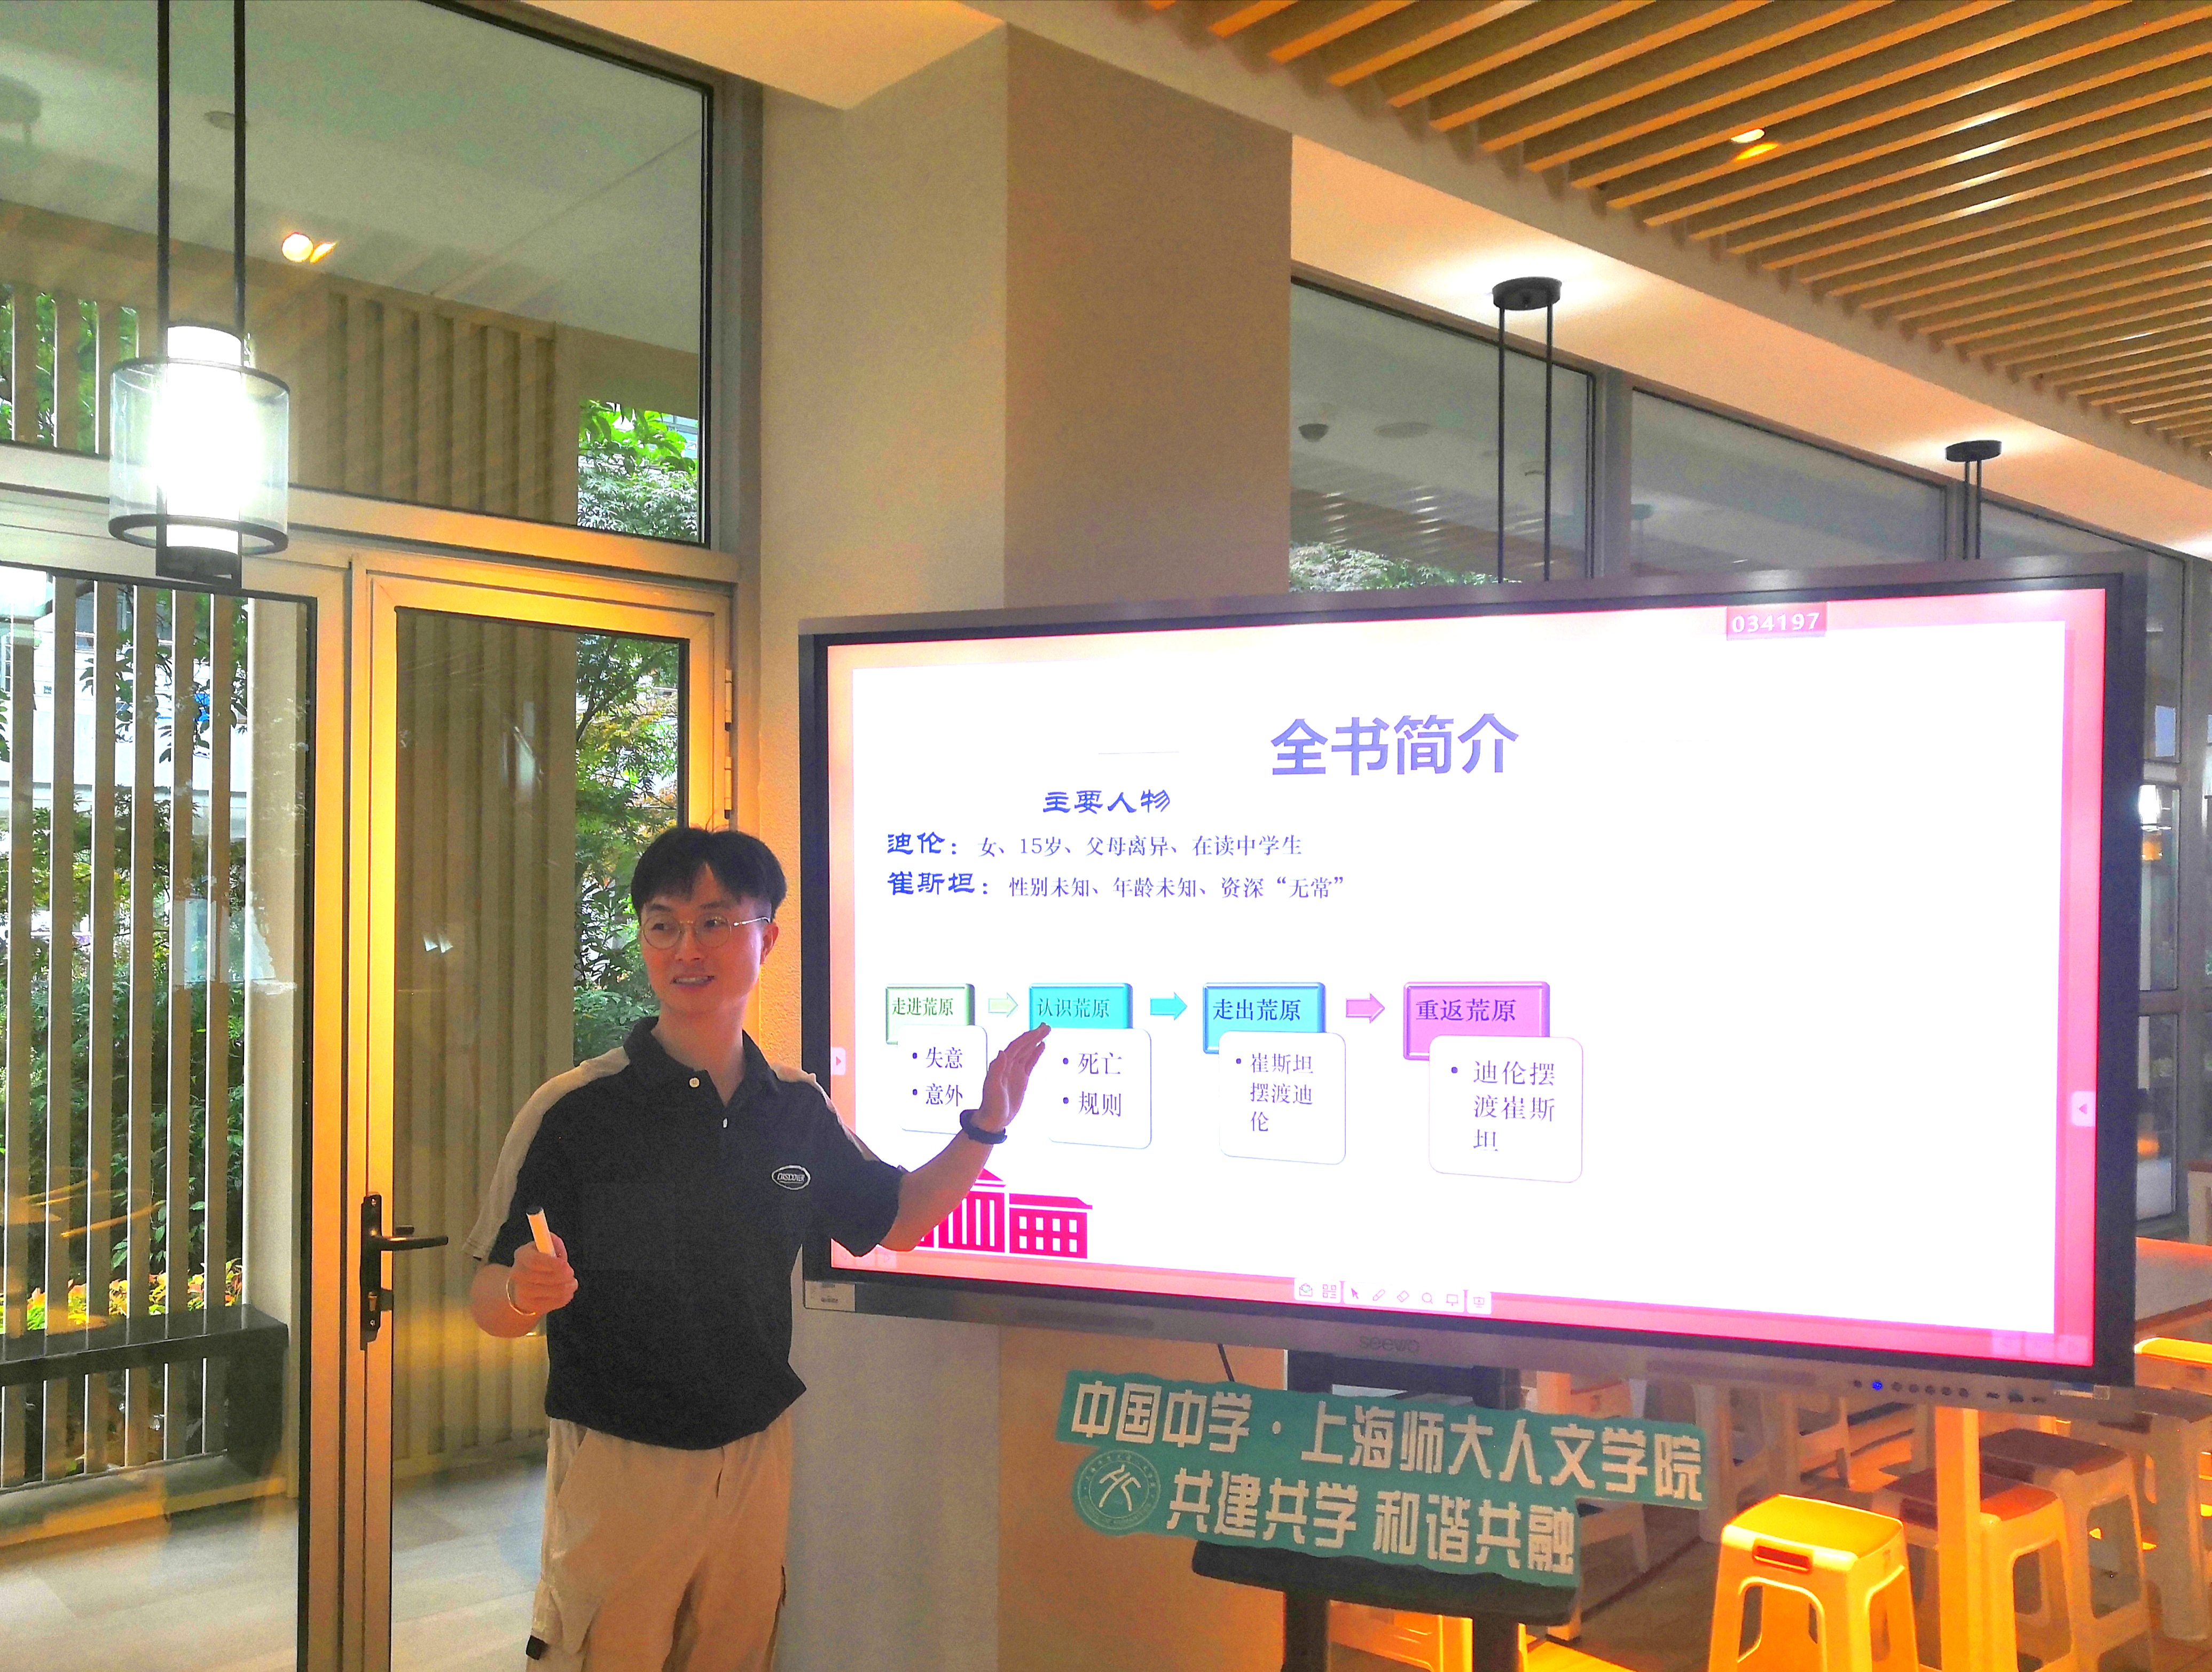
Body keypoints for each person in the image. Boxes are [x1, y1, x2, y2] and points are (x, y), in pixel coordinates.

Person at [462, 825, 1047, 1671]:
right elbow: (490, 1302)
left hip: (756, 1449)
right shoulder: (576, 1110)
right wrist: (523, 1291)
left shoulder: (796, 1108)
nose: (685, 947)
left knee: (737, 1653)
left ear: (766, 937)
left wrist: (984, 1126)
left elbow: (899, 1220)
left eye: (714, 922)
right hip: (620, 1459)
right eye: (663, 924)